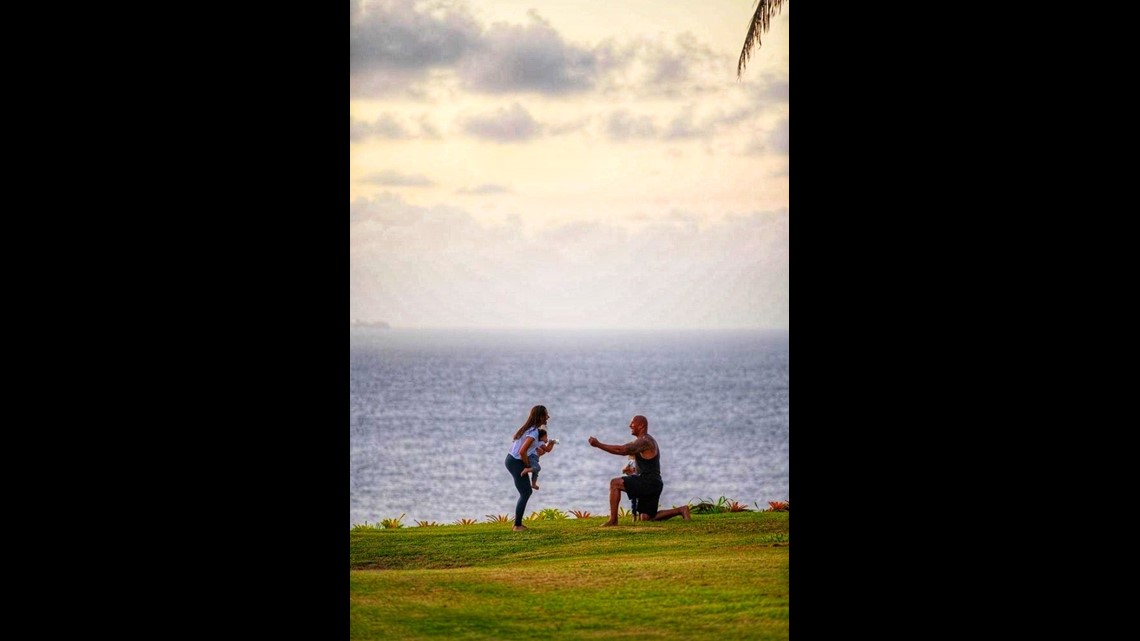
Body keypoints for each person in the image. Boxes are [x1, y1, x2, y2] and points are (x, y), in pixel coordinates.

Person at [588, 415, 691, 526]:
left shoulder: (645, 441)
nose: (629, 425)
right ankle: (681, 510)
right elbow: (648, 465)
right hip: (654, 483)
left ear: (641, 425)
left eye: (632, 423)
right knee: (646, 518)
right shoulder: (645, 441)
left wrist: (598, 445)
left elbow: (622, 450)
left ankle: (613, 520)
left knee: (615, 484)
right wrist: (633, 470)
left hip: (649, 482)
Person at [505, 405, 550, 531]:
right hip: (515, 461)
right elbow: (522, 451)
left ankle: (517, 524)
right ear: (540, 416)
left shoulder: (530, 429)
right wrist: (528, 465)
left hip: (512, 460)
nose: (548, 417)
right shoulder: (534, 432)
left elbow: (527, 450)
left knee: (525, 492)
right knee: (525, 493)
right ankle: (517, 525)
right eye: (546, 414)